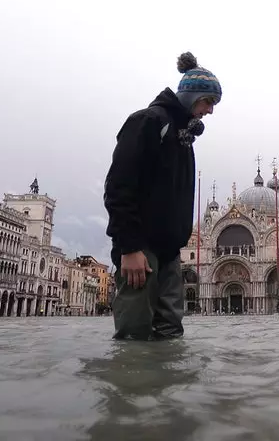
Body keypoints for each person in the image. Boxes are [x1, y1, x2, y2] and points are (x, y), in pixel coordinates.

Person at [104, 51, 222, 341]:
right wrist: (129, 247)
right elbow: (118, 187)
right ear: (192, 96)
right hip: (140, 251)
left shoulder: (184, 137)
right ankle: (133, 386)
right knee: (135, 332)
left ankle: (167, 388)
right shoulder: (148, 122)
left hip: (169, 254)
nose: (210, 111)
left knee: (171, 331)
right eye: (208, 102)